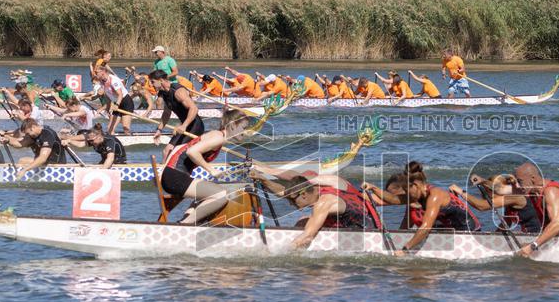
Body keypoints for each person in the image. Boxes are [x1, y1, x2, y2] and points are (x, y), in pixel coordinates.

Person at [363, 161, 480, 255]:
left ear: (416, 185)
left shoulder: (435, 195)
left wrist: (405, 250)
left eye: (407, 190)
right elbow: (394, 199)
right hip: (449, 231)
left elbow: (425, 228)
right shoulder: (418, 194)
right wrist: (374, 188)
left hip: (469, 233)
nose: (406, 194)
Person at [160, 108, 252, 225]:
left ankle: (186, 222)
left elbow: (179, 148)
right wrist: (211, 170)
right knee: (221, 195)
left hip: (173, 175)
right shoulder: (218, 137)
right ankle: (185, 224)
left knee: (210, 190)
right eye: (244, 128)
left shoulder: (216, 135)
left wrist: (164, 169)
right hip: (175, 177)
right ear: (233, 125)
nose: (245, 132)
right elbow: (192, 152)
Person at [254, 169, 382, 249]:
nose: (292, 205)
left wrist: (278, 255)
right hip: (367, 225)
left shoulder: (324, 202)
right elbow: (285, 192)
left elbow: (307, 237)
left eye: (293, 201)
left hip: (363, 238)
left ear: (304, 194)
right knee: (303, 221)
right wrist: (264, 180)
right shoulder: (327, 188)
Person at [149, 69, 206, 155]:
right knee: (166, 151)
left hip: (195, 125)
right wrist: (159, 130)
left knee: (173, 152)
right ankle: (165, 168)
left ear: (161, 80)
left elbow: (194, 108)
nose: (150, 84)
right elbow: (166, 113)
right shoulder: (163, 93)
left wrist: (184, 125)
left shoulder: (177, 91)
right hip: (184, 126)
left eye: (152, 82)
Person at [1, 118, 67, 177]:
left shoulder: (47, 134)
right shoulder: (33, 135)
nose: (27, 135)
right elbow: (20, 143)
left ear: (33, 127)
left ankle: (21, 179)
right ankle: (22, 178)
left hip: (56, 166)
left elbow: (42, 158)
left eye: (28, 133)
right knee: (22, 160)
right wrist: (8, 140)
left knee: (23, 161)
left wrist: (25, 170)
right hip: (45, 163)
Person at [95, 66, 134, 135]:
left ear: (103, 72)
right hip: (117, 103)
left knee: (125, 128)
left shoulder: (113, 80)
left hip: (126, 102)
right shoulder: (102, 82)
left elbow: (120, 94)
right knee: (110, 128)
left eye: (96, 72)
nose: (95, 74)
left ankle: (132, 139)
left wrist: (116, 105)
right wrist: (107, 109)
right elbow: (108, 96)